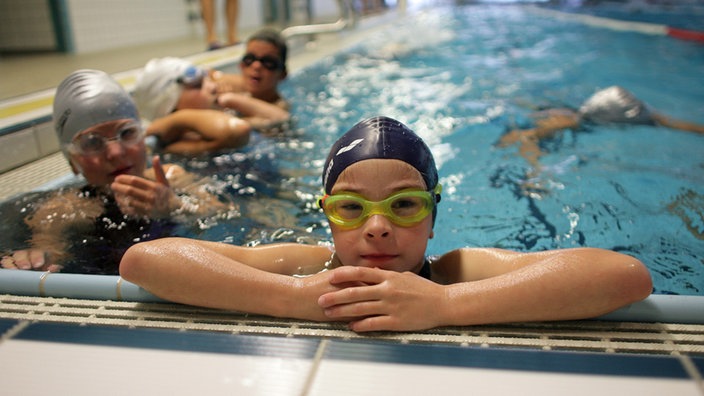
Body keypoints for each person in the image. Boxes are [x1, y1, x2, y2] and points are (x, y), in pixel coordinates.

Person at [120, 116, 653, 333]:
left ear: (434, 213)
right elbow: (145, 260)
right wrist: (299, 297)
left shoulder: (455, 271)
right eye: (351, 208)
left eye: (404, 206)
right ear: (326, 212)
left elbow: (625, 275)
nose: (376, 228)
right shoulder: (308, 265)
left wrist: (444, 305)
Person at [0, 70, 228, 274]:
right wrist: (34, 260)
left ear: (142, 137)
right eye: (92, 143)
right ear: (72, 162)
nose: (116, 152)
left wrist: (175, 206)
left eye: (127, 133)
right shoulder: (62, 210)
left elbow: (223, 214)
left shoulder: (172, 177)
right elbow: (49, 253)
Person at [132, 29, 290, 155]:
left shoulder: (215, 118)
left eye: (207, 80)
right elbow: (238, 130)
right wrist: (180, 117)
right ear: (170, 107)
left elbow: (281, 117)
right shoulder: (176, 145)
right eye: (198, 85)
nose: (213, 86)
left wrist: (229, 98)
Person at [498, 85, 704, 171]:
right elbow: (525, 137)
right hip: (555, 113)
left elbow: (668, 122)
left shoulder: (642, 114)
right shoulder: (569, 120)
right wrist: (535, 173)